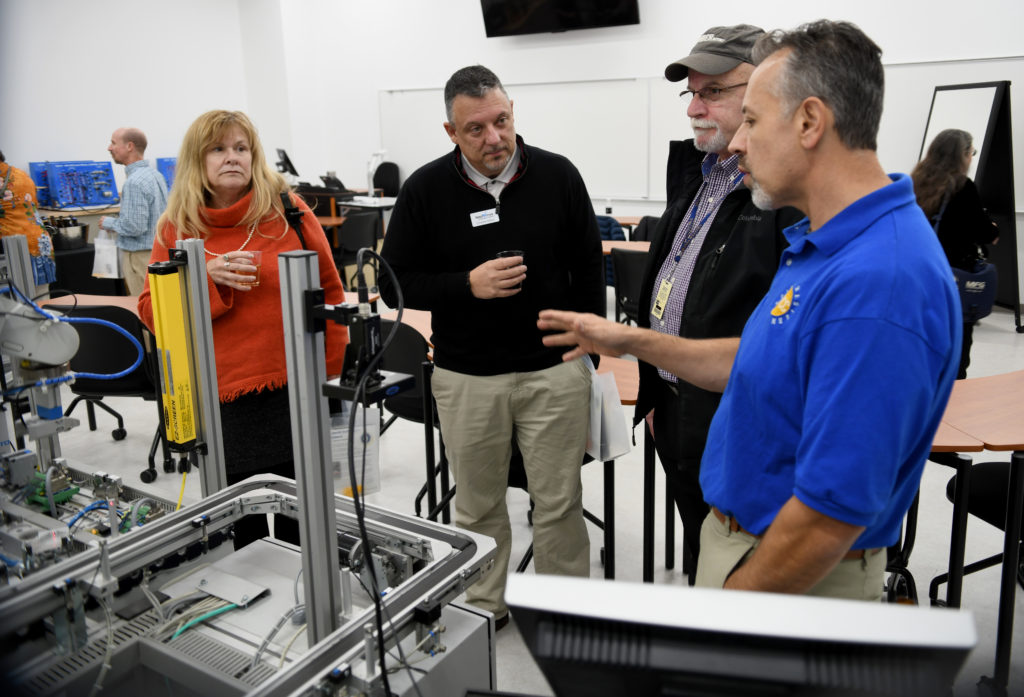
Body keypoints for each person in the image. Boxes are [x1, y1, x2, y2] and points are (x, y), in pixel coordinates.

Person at [539, 20, 961, 601]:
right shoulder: (825, 241)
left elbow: (828, 516)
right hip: (744, 539)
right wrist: (634, 343)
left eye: (754, 121)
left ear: (810, 122)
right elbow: (757, 358)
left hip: (784, 568)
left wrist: (730, 615)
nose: (737, 142)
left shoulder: (879, 283)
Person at [378, 65, 605, 628]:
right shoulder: (425, 190)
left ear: (512, 112)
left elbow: (588, 268)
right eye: (475, 129)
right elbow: (392, 283)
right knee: (477, 505)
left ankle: (566, 611)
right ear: (451, 133)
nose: (493, 137)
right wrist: (465, 285)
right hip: (466, 377)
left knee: (558, 503)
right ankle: (484, 607)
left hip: (554, 373)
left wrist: (589, 351)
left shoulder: (557, 175)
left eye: (501, 120)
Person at [138, 110, 348, 547]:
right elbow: (151, 311)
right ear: (198, 160)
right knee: (243, 526)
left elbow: (330, 292)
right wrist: (201, 275)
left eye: (241, 148)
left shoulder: (289, 210)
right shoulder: (176, 226)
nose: (231, 157)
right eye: (217, 149)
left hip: (297, 393)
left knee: (302, 521)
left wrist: (332, 380)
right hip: (222, 403)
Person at [637, 25, 798, 582]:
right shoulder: (699, 173)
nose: (694, 109)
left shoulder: (783, 192)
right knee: (703, 554)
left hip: (739, 416)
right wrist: (657, 390)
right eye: (692, 93)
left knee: (744, 566)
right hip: (676, 409)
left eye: (714, 92)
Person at [911, 128, 999, 379]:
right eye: (971, 152)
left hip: (919, 273)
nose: (971, 158)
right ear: (962, 155)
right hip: (953, 278)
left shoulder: (916, 181)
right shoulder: (962, 186)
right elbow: (985, 233)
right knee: (957, 349)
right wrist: (992, 227)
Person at [100, 128, 169, 296]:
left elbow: (134, 227)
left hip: (140, 258)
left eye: (113, 143)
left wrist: (108, 222)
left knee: (144, 309)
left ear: (129, 146)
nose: (109, 148)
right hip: (157, 252)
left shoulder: (134, 182)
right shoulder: (155, 175)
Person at [0, 150, 57, 288]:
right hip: (40, 244)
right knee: (41, 301)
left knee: (19, 304)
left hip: (15, 249)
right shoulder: (21, 175)